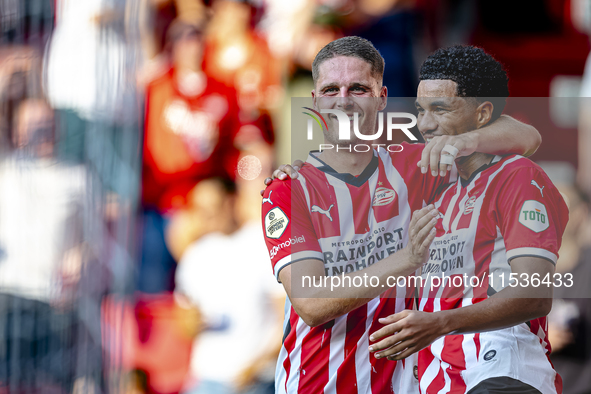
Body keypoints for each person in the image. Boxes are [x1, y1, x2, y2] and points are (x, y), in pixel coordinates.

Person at [261, 37, 543, 393]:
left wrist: (468, 140)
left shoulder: (417, 165)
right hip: (316, 384)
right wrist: (407, 259)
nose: (343, 100)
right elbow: (312, 303)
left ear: (381, 99)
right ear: (315, 101)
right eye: (331, 88)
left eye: (359, 88)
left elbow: (527, 138)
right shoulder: (287, 189)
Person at [368, 45, 569, 393]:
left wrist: (441, 322)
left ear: (482, 114)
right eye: (420, 111)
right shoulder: (437, 184)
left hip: (500, 373)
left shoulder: (517, 176)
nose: (426, 125)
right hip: (443, 380)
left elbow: (534, 294)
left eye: (440, 110)